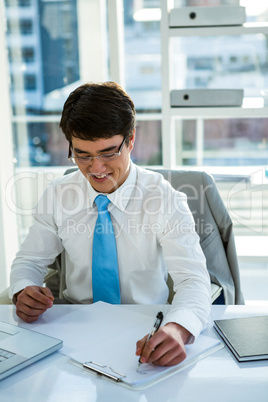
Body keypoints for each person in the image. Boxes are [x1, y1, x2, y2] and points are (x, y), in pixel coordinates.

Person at [9, 81, 211, 367]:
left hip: (145, 328)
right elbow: (29, 261)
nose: (97, 169)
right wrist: (23, 288)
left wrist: (178, 328)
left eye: (108, 153)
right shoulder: (57, 194)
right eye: (83, 155)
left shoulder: (165, 199)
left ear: (130, 140)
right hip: (71, 329)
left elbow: (193, 280)